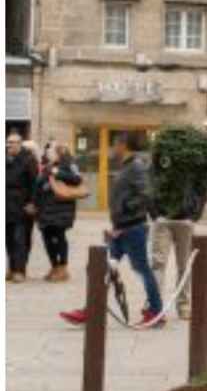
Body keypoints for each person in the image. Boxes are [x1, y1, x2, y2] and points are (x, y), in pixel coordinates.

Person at [60, 131, 164, 328]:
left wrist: (126, 212)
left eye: (114, 144)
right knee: (103, 268)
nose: (112, 148)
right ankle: (90, 310)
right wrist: (117, 224)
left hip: (132, 229)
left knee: (142, 269)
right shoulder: (127, 166)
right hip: (122, 229)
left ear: (123, 144)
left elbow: (147, 194)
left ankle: (156, 312)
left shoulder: (136, 166)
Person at [150, 169, 205, 319]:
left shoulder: (192, 160)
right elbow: (150, 186)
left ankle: (184, 306)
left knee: (185, 266)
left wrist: (194, 216)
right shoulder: (161, 157)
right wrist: (155, 215)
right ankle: (155, 306)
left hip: (185, 220)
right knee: (158, 264)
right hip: (163, 220)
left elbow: (201, 189)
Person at [32, 144, 82, 281]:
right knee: (47, 238)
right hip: (45, 209)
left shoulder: (69, 164)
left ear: (58, 153)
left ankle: (63, 268)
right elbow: (38, 186)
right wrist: (34, 203)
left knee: (59, 236)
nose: (47, 153)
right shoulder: (46, 166)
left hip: (61, 209)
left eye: (50, 151)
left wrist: (57, 172)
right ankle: (54, 266)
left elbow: (77, 179)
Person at [5, 132, 38, 282]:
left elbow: (34, 184)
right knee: (8, 240)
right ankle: (11, 269)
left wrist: (32, 203)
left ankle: (20, 270)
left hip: (22, 206)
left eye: (12, 142)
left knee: (21, 239)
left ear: (20, 144)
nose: (9, 145)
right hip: (6, 206)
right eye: (8, 142)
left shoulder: (28, 160)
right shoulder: (5, 159)